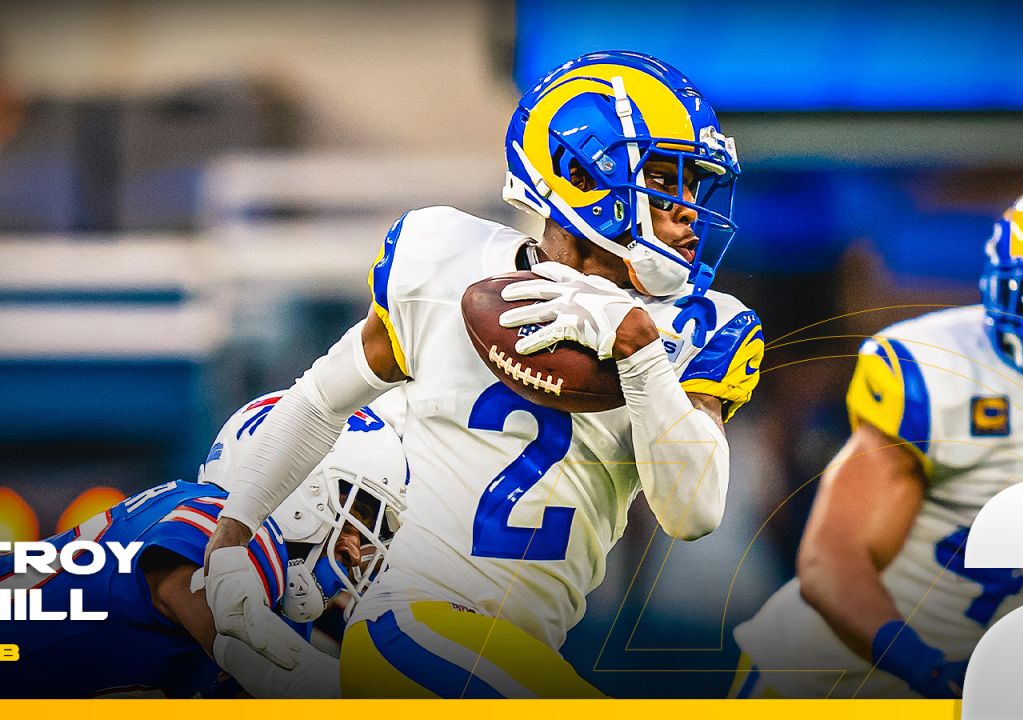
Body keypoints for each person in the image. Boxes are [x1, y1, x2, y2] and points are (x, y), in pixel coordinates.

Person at [200, 50, 764, 698]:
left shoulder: (701, 326)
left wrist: (638, 351)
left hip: (513, 655)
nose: (689, 207)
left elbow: (693, 511)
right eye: (666, 177)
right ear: (579, 173)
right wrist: (230, 542)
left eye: (696, 185)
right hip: (413, 630)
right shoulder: (445, 261)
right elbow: (319, 401)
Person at [731, 180, 1023, 699]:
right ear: (997, 284)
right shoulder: (937, 374)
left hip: (992, 676)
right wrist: (918, 663)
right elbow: (831, 562)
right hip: (840, 673)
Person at [0, 392, 407, 698]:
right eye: (360, 512)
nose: (361, 547)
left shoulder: (270, 607)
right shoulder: (220, 524)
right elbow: (255, 654)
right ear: (300, 486)